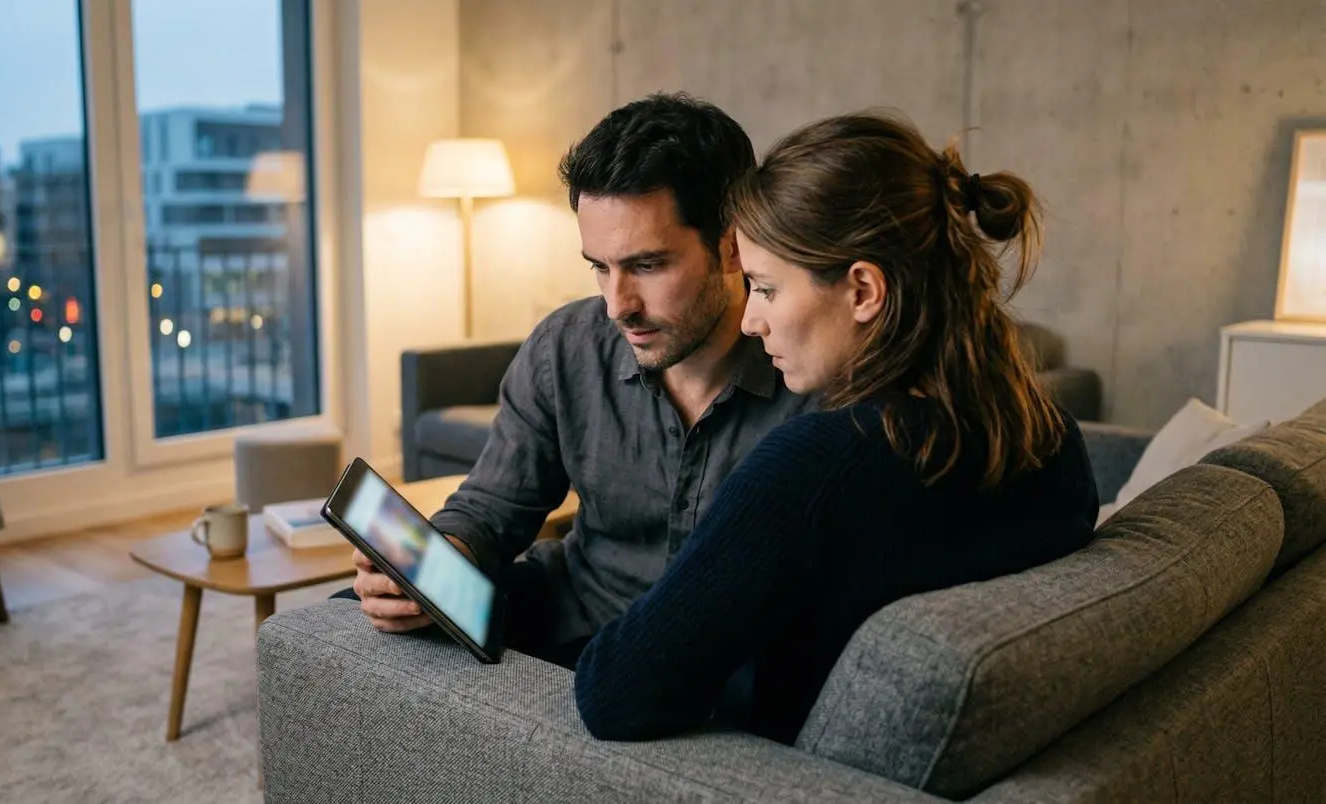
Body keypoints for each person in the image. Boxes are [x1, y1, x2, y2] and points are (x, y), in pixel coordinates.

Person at [571, 109, 1101, 745]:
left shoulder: (812, 470)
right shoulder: (1050, 438)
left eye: (765, 288)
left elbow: (614, 695)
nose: (750, 321)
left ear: (864, 291)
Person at [333, 92, 815, 668]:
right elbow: (490, 509)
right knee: (347, 628)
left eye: (647, 265)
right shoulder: (567, 345)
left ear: (731, 245)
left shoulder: (810, 373)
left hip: (714, 664)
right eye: (599, 266)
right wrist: (434, 565)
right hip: (577, 610)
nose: (617, 305)